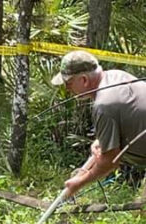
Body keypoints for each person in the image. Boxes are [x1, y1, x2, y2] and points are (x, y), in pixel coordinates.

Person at [51, 50, 146, 197]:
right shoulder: (116, 75)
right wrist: (101, 140)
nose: (67, 89)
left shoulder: (103, 105)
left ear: (84, 80)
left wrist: (79, 183)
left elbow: (110, 161)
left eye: (68, 83)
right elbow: (131, 115)